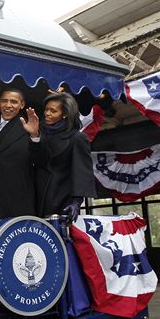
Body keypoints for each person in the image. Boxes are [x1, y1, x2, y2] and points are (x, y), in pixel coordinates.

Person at [22, 92, 96, 222]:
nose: (47, 113)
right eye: (46, 109)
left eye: (53, 111)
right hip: (33, 195)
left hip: (61, 197)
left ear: (65, 114)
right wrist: (34, 135)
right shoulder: (38, 131)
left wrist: (76, 202)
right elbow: (38, 161)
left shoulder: (77, 138)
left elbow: (82, 173)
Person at [0, 88, 36, 219]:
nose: (8, 105)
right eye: (4, 101)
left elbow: (41, 160)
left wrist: (34, 136)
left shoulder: (31, 126)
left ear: (22, 105)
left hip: (17, 198)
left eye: (14, 102)